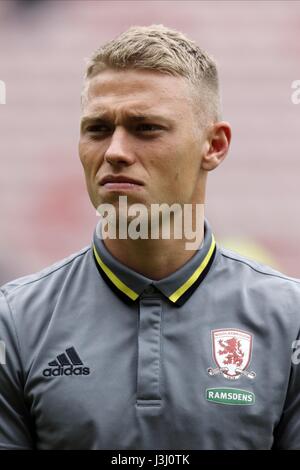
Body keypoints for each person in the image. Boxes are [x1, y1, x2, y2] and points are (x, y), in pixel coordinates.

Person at [0, 24, 300, 450]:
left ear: (214, 145)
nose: (115, 152)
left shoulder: (291, 322)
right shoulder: (14, 323)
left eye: (146, 128)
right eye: (98, 129)